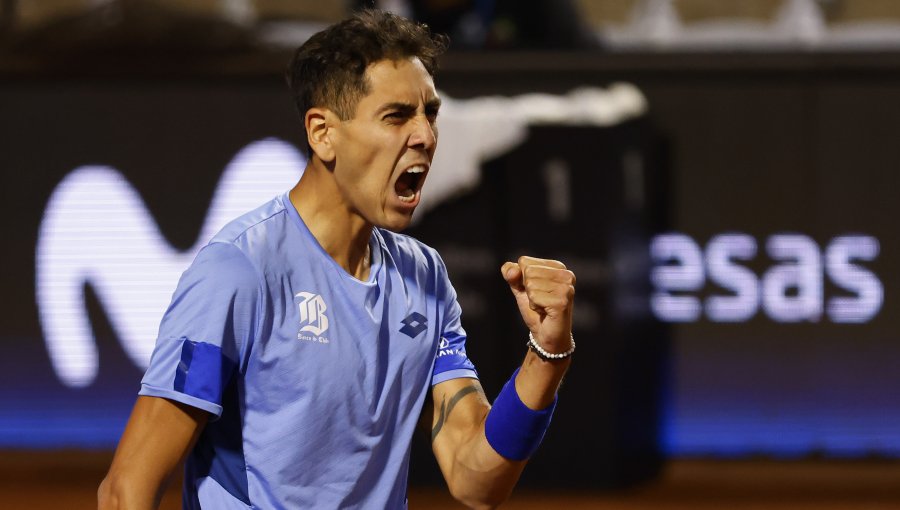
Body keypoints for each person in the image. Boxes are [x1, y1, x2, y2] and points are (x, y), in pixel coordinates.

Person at [98, 9, 576, 510]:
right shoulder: (239, 272)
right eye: (396, 116)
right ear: (323, 133)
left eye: (430, 113)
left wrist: (546, 357)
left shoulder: (424, 278)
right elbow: (125, 490)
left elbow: (475, 480)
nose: (426, 137)